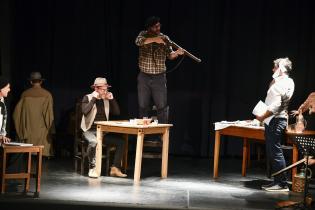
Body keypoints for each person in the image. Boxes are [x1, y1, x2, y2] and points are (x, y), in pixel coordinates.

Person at [255, 58, 295, 192]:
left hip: (275, 119)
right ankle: (278, 181)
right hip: (274, 119)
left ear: (281, 68)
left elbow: (277, 105)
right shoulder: (285, 81)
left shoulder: (282, 83)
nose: (272, 70)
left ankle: (282, 183)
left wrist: (262, 116)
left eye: (274, 67)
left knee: (275, 151)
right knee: (273, 151)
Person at [135, 16, 184, 123]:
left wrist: (176, 53)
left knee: (161, 106)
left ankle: (162, 134)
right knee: (143, 105)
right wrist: (155, 40)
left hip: (159, 77)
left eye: (159, 26)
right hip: (144, 76)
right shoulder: (143, 34)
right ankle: (143, 133)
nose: (158, 28)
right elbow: (138, 42)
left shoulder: (165, 38)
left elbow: (170, 55)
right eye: (155, 27)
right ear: (149, 28)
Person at [81, 77, 127, 178]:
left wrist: (112, 99)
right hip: (89, 131)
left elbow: (117, 112)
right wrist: (94, 99)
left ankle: (115, 168)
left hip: (102, 132)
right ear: (96, 89)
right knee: (93, 141)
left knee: (121, 142)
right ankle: (92, 167)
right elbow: (85, 111)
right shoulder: (87, 97)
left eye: (106, 89)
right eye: (103, 89)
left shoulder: (106, 100)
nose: (105, 91)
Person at [13, 72, 55, 157]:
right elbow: (49, 115)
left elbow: (17, 114)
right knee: (40, 151)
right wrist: (52, 130)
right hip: (42, 131)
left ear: (31, 82)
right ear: (41, 82)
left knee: (29, 151)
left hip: (28, 130)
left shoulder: (25, 94)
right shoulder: (47, 95)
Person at [0, 77, 11, 145]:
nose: (9, 90)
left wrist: (2, 136)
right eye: (7, 87)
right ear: (1, 89)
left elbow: (3, 120)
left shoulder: (2, 102)